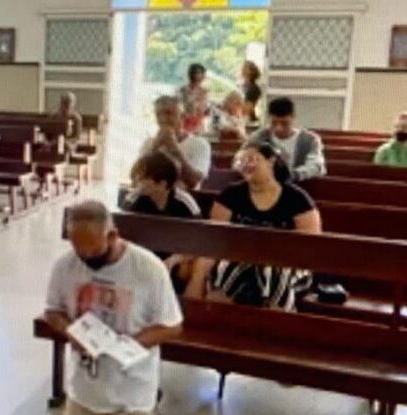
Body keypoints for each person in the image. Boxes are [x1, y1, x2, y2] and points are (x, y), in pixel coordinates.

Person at [44, 200, 183, 415]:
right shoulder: (66, 265)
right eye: (78, 250)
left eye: (94, 252)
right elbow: (52, 312)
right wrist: (71, 331)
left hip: (131, 384)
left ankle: (144, 413)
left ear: (113, 235)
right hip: (87, 381)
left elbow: (172, 326)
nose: (86, 259)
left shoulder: (148, 268)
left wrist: (130, 343)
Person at [184, 142, 321, 310]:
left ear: (270, 161)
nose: (245, 165)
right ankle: (217, 324)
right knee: (226, 273)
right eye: (241, 161)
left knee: (270, 273)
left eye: (251, 159)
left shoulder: (297, 199)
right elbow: (214, 240)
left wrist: (271, 258)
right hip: (238, 259)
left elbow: (310, 248)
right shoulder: (230, 195)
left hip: (288, 265)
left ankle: (277, 325)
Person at [125, 152, 201, 291]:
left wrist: (173, 260)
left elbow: (197, 243)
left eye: (143, 177)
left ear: (162, 184)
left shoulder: (185, 203)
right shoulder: (133, 200)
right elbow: (126, 239)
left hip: (176, 260)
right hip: (144, 258)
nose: (137, 181)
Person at [139, 95, 211, 190]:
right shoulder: (149, 143)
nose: (163, 119)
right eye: (158, 115)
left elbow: (193, 182)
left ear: (182, 117)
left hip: (182, 200)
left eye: (168, 113)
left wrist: (176, 151)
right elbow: (135, 177)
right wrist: (154, 147)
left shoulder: (199, 144)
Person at [248, 97, 326, 181]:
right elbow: (241, 159)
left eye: (284, 123)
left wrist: (293, 174)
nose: (278, 128)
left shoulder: (309, 140)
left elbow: (316, 165)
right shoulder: (259, 137)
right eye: (274, 123)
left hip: (300, 186)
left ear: (293, 118)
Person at [178, 63, 209, 134]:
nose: (204, 76)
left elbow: (204, 110)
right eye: (199, 73)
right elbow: (180, 109)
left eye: (202, 73)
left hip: (199, 125)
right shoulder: (183, 90)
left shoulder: (204, 91)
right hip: (186, 124)